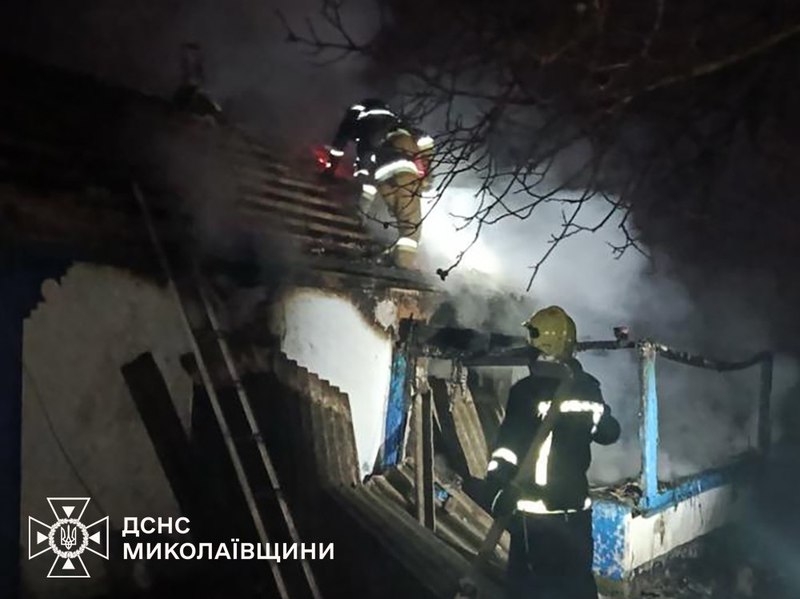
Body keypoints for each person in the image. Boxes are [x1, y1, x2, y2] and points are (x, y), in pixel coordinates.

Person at [485, 305, 621, 599]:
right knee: (577, 585)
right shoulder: (589, 389)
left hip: (535, 515)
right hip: (576, 512)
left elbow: (508, 447)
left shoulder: (526, 391)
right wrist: (601, 413)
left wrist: (497, 488)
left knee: (529, 589)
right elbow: (608, 434)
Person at [323, 99, 434, 268]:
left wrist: (329, 172)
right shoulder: (398, 125)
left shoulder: (362, 124)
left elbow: (340, 146)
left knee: (396, 217)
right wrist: (427, 175)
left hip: (381, 176)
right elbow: (426, 141)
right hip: (403, 174)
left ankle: (384, 247)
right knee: (411, 228)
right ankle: (403, 267)